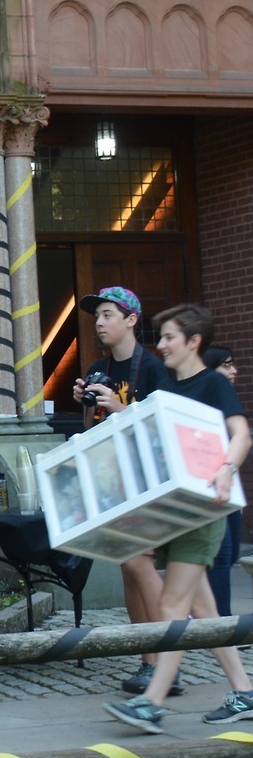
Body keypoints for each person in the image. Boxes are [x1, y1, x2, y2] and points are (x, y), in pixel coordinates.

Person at [105, 305, 253, 734]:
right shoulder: (167, 387)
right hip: (175, 512)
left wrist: (226, 468)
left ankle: (152, 703)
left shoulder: (212, 383)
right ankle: (244, 690)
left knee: (172, 605)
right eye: (162, 336)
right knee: (204, 610)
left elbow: (241, 432)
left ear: (194, 342)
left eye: (170, 337)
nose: (162, 344)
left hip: (203, 510)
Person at [73, 286, 173, 696]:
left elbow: (164, 423)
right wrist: (86, 400)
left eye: (108, 314)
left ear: (131, 319)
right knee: (128, 570)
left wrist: (120, 407)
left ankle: (167, 661)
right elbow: (94, 429)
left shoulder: (152, 368)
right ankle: (150, 658)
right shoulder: (99, 367)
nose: (99, 322)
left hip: (147, 478)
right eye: (97, 316)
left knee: (138, 566)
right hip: (114, 479)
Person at [203, 345, 243, 616]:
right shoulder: (205, 400)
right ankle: (222, 622)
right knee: (221, 554)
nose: (233, 371)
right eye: (226, 365)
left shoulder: (227, 400)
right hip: (208, 486)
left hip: (230, 485)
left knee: (231, 553)